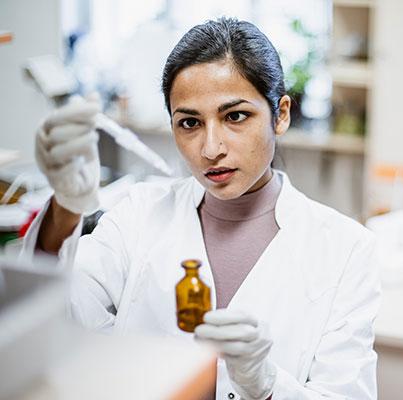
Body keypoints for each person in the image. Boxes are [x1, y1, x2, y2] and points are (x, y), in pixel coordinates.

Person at [24, 18, 380, 399]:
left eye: (235, 116)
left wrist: (267, 384)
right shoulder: (138, 214)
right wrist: (67, 206)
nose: (211, 148)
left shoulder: (345, 249)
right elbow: (53, 314)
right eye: (190, 122)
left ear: (281, 115)